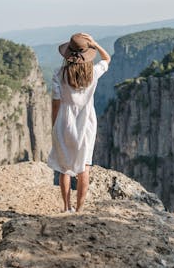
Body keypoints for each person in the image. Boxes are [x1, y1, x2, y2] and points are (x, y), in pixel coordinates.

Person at [47, 32, 111, 213]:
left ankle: (66, 207)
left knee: (64, 168)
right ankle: (80, 208)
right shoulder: (93, 73)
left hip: (64, 123)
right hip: (87, 124)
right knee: (84, 167)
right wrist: (95, 44)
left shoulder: (58, 75)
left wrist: (54, 126)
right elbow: (107, 59)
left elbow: (55, 104)